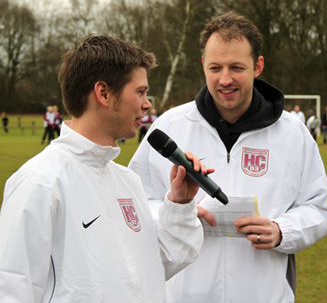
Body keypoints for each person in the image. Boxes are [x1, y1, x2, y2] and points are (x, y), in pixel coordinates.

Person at [129, 11, 327, 303]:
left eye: (236, 67)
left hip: (265, 295)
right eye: (215, 68)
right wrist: (175, 211)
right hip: (184, 296)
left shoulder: (293, 133)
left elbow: (318, 208)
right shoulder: (170, 126)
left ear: (258, 66)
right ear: (203, 65)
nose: (225, 80)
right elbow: (136, 203)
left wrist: (281, 231)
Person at [0, 35, 208, 302]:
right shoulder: (41, 182)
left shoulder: (127, 180)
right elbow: (12, 287)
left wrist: (180, 204)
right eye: (141, 92)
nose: (147, 104)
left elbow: (149, 270)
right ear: (104, 93)